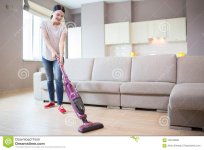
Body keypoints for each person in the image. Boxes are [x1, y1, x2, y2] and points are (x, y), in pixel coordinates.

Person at [40, 4, 67, 113]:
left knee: (58, 80)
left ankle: (60, 104)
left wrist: (60, 56)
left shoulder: (63, 28)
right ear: (52, 13)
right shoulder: (44, 23)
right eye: (58, 14)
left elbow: (61, 42)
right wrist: (52, 51)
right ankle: (52, 101)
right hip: (46, 56)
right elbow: (46, 39)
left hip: (57, 57)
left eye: (62, 16)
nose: (60, 17)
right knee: (50, 79)